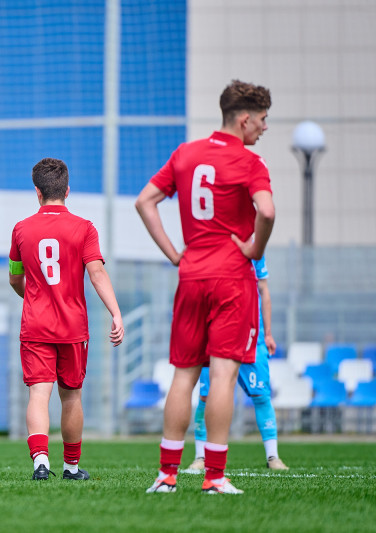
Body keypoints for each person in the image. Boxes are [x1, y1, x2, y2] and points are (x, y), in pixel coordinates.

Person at [136, 79, 275, 495]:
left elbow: (144, 201)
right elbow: (266, 210)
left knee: (183, 375)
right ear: (245, 119)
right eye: (263, 120)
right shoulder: (252, 163)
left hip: (191, 275)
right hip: (233, 279)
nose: (264, 129)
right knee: (223, 377)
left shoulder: (185, 153)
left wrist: (175, 254)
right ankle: (214, 477)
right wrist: (254, 247)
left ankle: (166, 476)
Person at [9, 157, 124, 481]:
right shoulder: (84, 228)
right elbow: (97, 272)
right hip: (73, 327)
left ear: (37, 192)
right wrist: (115, 313)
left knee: (38, 394)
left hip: (35, 325)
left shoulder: (21, 229)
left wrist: (33, 298)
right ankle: (71, 468)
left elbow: (15, 278)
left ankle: (40, 463)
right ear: (67, 190)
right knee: (71, 395)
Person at [188, 254, 288, 472]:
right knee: (206, 395)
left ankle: (273, 456)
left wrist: (268, 333)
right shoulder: (213, 247)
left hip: (254, 336)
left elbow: (264, 291)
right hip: (217, 335)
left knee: (261, 395)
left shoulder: (255, 250)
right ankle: (200, 457)